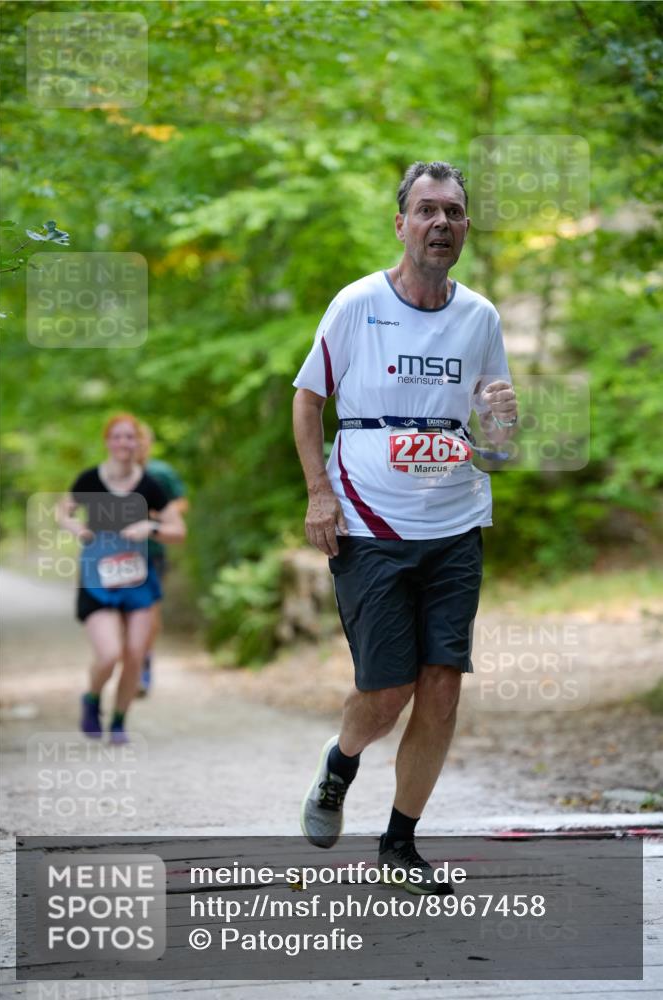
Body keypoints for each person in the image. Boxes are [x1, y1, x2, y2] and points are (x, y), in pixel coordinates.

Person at [293, 161, 517, 894]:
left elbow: (494, 443)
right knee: (386, 690)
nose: (440, 223)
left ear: (465, 228)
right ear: (400, 224)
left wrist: (504, 432)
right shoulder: (356, 305)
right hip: (366, 519)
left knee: (442, 683)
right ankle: (340, 766)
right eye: (426, 211)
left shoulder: (479, 317)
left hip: (454, 521)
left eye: (452, 211)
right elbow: (307, 402)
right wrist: (317, 493)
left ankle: (398, 844)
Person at [57, 413, 186, 743]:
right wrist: (78, 529)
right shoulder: (90, 480)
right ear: (107, 441)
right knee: (109, 654)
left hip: (138, 578)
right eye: (118, 436)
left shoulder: (150, 486)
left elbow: (177, 531)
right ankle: (92, 698)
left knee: (134, 653)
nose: (124, 443)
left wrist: (151, 528)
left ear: (138, 442)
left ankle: (117, 721)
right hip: (98, 577)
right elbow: (62, 511)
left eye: (130, 437)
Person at [135, 424, 188, 696]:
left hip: (152, 552)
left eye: (141, 439)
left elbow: (181, 503)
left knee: (150, 614)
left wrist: (155, 515)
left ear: (149, 442)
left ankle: (143, 663)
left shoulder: (161, 473)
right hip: (118, 555)